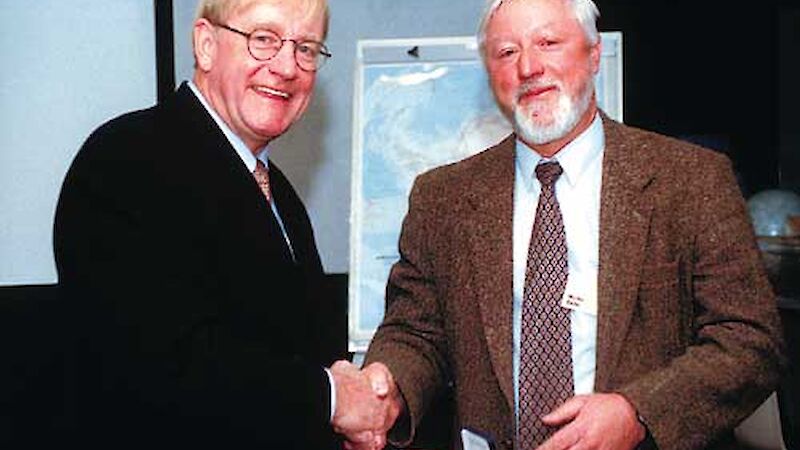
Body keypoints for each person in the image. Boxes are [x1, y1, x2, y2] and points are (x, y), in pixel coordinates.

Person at [354, 0, 786, 449]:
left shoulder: (691, 182)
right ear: (489, 73)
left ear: (594, 54)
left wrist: (639, 412)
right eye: (507, 52)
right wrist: (386, 390)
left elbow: (750, 340)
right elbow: (414, 333)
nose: (528, 67)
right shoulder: (441, 199)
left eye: (548, 42)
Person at [53, 0, 383, 448]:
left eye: (307, 48)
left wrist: (354, 397)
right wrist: (330, 397)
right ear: (206, 45)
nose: (287, 67)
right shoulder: (125, 161)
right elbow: (160, 367)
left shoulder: (277, 193)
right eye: (264, 39)